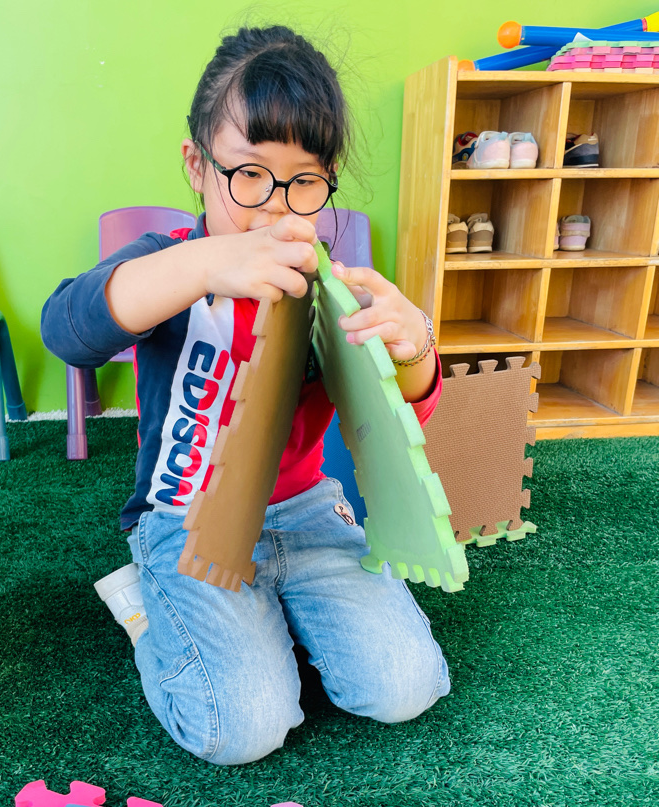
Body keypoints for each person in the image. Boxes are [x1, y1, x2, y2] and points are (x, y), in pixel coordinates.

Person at [41, 25, 450, 765]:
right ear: (198, 166)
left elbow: (402, 414)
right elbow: (68, 327)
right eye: (250, 174)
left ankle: (268, 616)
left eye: (304, 181)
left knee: (406, 688)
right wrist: (204, 264)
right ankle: (150, 612)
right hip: (186, 516)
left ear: (327, 182)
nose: (273, 208)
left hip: (308, 513)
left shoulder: (327, 282)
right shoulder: (168, 264)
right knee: (241, 731)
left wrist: (413, 343)